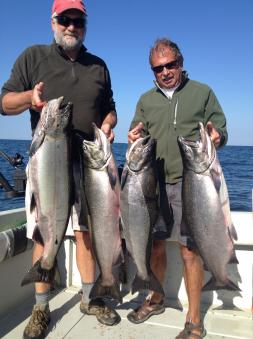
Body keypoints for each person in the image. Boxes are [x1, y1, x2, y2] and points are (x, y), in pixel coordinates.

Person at [0, 1, 121, 338]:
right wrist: (29, 99)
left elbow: (110, 109)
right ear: (53, 22)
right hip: (47, 164)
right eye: (64, 19)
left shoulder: (98, 66)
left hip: (89, 165)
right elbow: (3, 102)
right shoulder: (33, 56)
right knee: (44, 230)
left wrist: (109, 124)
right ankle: (41, 308)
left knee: (85, 233)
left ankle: (87, 298)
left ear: (85, 24)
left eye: (78, 20)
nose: (71, 26)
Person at [127, 38, 227, 339]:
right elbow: (136, 129)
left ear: (180, 63)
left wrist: (216, 134)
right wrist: (133, 134)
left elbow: (220, 127)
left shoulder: (202, 92)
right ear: (152, 71)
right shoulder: (146, 99)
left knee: (189, 251)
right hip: (153, 184)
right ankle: (155, 299)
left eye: (171, 65)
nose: (166, 72)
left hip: (193, 184)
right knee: (155, 245)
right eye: (158, 68)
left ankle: (194, 318)